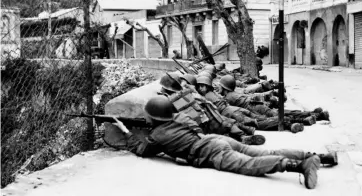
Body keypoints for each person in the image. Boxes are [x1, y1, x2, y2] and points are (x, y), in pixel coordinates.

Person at [112, 96, 337, 189]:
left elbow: (143, 150)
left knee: (250, 165)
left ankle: (298, 166)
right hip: (215, 139)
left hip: (210, 152)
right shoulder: (179, 118)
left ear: (153, 118)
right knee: (264, 151)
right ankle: (316, 156)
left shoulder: (159, 135)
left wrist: (126, 133)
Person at [158, 73, 265, 145]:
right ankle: (243, 134)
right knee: (226, 123)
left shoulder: (170, 100)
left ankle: (239, 138)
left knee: (217, 135)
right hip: (209, 114)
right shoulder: (188, 93)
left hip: (198, 124)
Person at [195, 74, 305, 133]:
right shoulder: (218, 95)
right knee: (266, 118)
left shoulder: (217, 97)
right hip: (242, 109)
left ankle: (287, 120)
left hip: (237, 113)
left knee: (261, 123)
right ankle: (297, 120)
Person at [219, 75, 319, 126]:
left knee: (278, 117)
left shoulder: (228, 97)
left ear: (224, 87)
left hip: (253, 108)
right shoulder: (234, 92)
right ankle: (311, 114)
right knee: (280, 113)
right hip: (257, 104)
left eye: (220, 86)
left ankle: (305, 119)